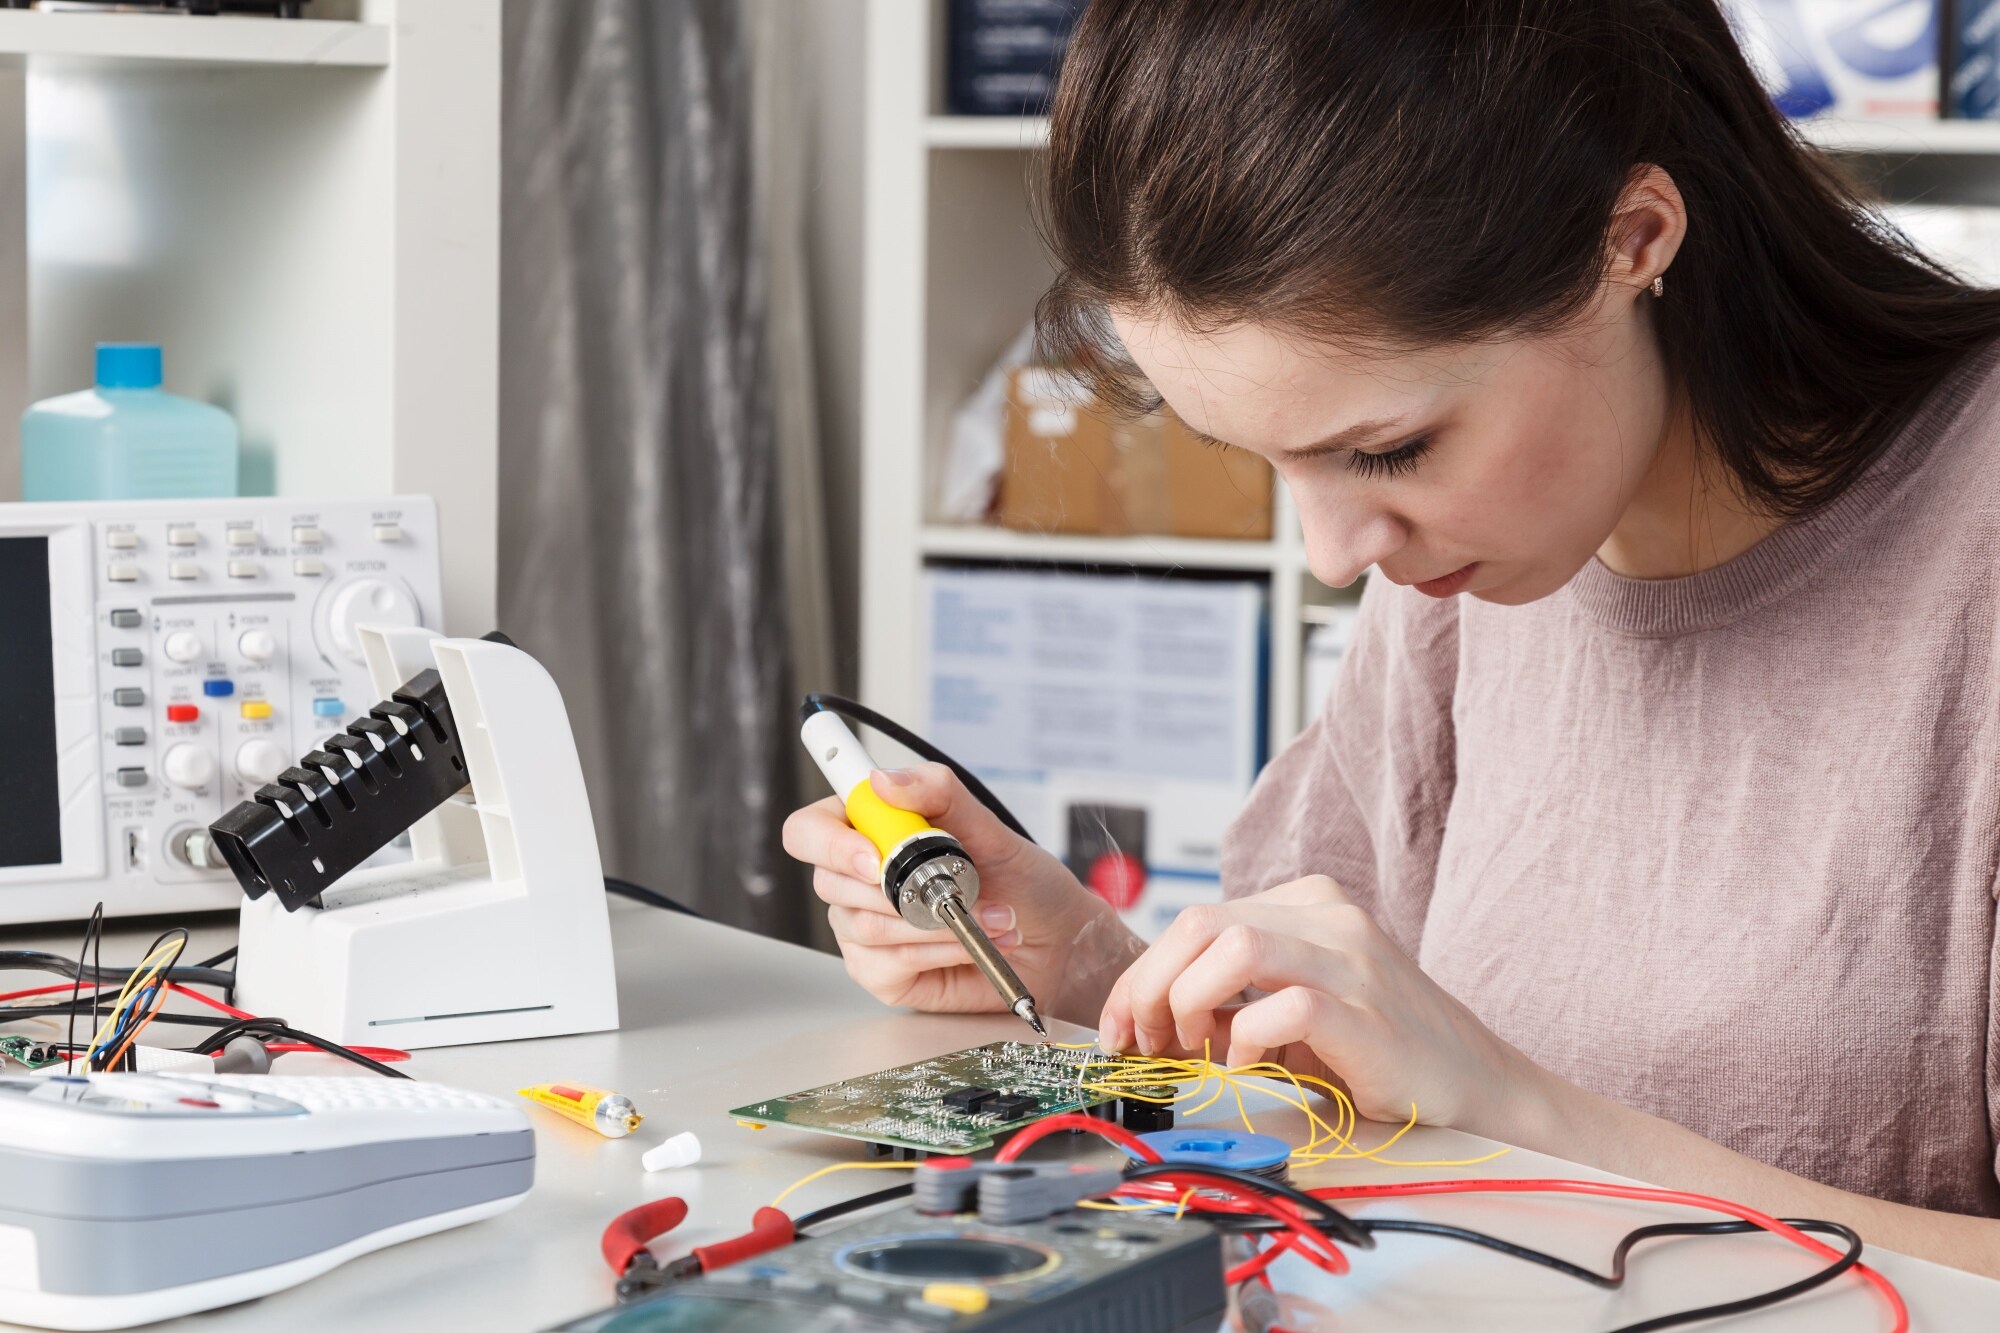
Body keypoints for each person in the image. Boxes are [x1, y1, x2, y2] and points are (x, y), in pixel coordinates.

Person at [784, 0, 2000, 1275]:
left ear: (1631, 240)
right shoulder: (1463, 568)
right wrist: (1093, 963)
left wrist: (1523, 1112)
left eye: (1386, 448)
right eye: (1265, 462)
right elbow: (1352, 1052)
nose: (1331, 552)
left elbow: (1465, 1087)